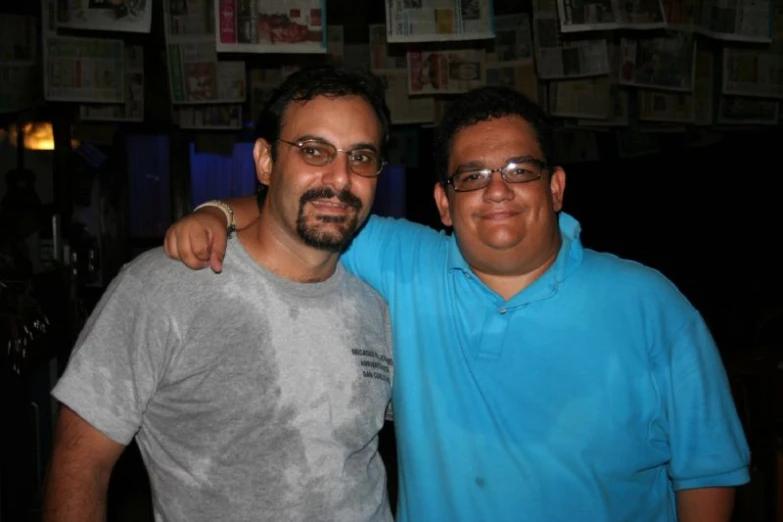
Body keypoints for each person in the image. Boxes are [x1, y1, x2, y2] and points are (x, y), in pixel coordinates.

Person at [164, 86, 751, 522]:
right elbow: (308, 211)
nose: (497, 190)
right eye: (472, 177)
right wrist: (215, 212)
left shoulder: (651, 304)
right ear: (444, 203)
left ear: (556, 186)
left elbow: (707, 472)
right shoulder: (407, 263)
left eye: (519, 170)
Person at [43, 66, 395, 522]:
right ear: (266, 162)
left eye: (362, 158)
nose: (342, 178)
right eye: (314, 151)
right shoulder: (165, 287)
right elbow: (80, 465)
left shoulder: (380, 303)